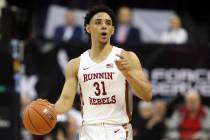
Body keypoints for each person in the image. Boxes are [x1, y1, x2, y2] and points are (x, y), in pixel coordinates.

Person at [41, 5, 152, 140]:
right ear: (88, 28)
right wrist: (48, 108)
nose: (104, 26)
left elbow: (147, 95)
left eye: (108, 23)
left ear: (112, 30)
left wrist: (129, 75)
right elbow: (65, 100)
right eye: (98, 22)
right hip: (89, 130)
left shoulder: (127, 57)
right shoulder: (75, 64)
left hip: (118, 130)